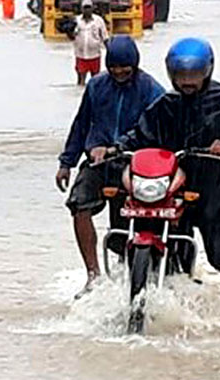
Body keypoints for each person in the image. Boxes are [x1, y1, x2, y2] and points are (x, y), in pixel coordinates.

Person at [117, 37, 220, 306]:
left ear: (207, 71)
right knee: (200, 249)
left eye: (194, 74)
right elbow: (139, 135)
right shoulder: (165, 105)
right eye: (181, 74)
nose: (187, 81)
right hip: (193, 186)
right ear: (171, 74)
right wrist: (116, 148)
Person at [55, 36, 166, 297]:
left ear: (135, 66)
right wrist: (66, 162)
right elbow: (81, 125)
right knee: (78, 205)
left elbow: (153, 132)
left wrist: (119, 148)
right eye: (114, 68)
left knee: (125, 222)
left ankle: (136, 269)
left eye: (124, 69)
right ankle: (93, 274)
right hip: (97, 161)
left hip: (134, 164)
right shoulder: (96, 86)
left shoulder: (152, 91)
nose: (118, 73)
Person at [72, 0, 108, 86]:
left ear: (92, 8)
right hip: (81, 55)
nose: (87, 10)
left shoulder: (99, 20)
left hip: (95, 55)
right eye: (85, 8)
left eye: (89, 7)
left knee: (95, 80)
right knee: (81, 80)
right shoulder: (76, 20)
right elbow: (72, 36)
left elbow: (105, 37)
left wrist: (110, 51)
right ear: (82, 9)